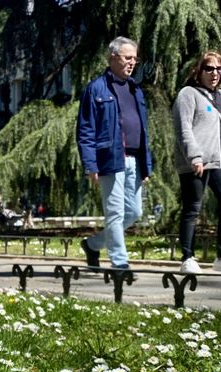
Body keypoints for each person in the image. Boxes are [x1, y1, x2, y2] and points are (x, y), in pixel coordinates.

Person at [76, 37, 153, 270]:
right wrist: (91, 165)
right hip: (110, 159)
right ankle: (120, 264)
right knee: (115, 213)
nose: (132, 63)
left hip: (134, 160)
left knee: (134, 212)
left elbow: (142, 128)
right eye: (128, 58)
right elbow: (86, 130)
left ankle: (93, 244)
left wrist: (145, 164)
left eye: (135, 59)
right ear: (112, 58)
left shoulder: (135, 89)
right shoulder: (96, 88)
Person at [172, 51, 221, 274]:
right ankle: (187, 258)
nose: (214, 73)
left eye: (218, 69)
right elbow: (183, 128)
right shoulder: (188, 94)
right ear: (199, 71)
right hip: (197, 162)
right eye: (209, 69)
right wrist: (194, 156)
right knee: (192, 208)